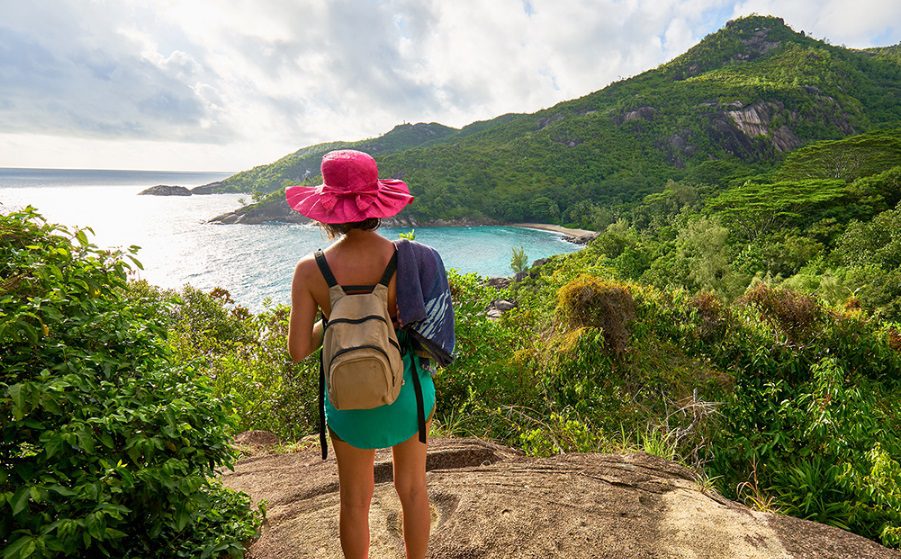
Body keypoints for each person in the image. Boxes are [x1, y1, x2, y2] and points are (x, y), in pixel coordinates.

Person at [286, 149, 454, 559]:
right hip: (408, 394)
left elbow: (298, 350)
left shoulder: (310, 269)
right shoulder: (408, 260)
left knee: (354, 502)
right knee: (413, 490)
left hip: (347, 400)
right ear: (377, 203)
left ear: (328, 209)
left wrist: (337, 315)